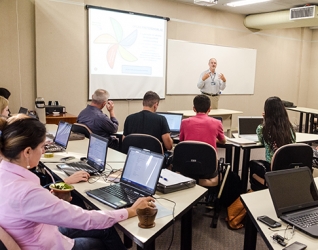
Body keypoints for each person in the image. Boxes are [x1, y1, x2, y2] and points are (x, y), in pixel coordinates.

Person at [0, 114, 156, 249]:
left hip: (41, 230)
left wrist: (49, 199)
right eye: (42, 147)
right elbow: (86, 219)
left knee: (105, 229)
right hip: (46, 243)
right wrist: (132, 210)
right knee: (99, 241)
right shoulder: (26, 192)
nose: (43, 151)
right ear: (27, 152)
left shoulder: (5, 173)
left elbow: (28, 206)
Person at [249, 96, 296, 190]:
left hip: (272, 169)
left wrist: (265, 121)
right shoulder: (290, 129)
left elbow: (262, 141)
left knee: (252, 164)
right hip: (288, 169)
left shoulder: (262, 129)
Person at [179, 94, 226, 186]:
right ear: (209, 109)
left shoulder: (184, 122)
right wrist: (212, 139)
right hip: (208, 168)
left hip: (187, 166)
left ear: (194, 109)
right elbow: (223, 141)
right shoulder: (217, 123)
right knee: (217, 178)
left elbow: (182, 142)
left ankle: (189, 181)